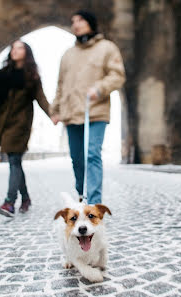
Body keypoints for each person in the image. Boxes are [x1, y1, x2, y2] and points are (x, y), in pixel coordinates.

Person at [50, 10, 126, 205]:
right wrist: (55, 110)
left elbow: (117, 76)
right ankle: (81, 195)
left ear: (90, 23)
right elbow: (60, 85)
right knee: (77, 159)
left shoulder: (107, 48)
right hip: (71, 112)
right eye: (73, 21)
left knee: (92, 154)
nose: (76, 24)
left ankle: (94, 202)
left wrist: (99, 89)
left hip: (95, 111)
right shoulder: (67, 54)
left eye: (80, 20)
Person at [0, 40, 51, 217]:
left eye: (19, 48)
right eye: (13, 48)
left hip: (20, 124)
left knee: (14, 160)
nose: (15, 51)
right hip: (1, 123)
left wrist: (53, 114)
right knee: (15, 162)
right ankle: (26, 198)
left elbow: (41, 98)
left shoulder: (32, 77)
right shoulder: (2, 74)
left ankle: (9, 202)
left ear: (26, 53)